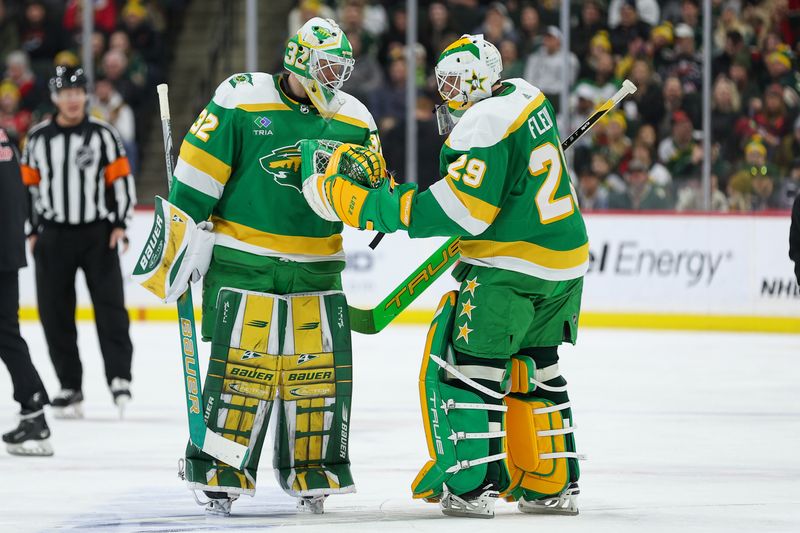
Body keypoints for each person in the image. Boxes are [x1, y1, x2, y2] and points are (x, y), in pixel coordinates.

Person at [305, 34, 586, 518]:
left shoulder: (483, 121)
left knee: (467, 369)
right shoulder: (525, 95)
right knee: (539, 368)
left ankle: (471, 485)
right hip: (565, 263)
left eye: (454, 81)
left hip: (510, 270)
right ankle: (551, 484)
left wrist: (370, 206)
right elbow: (506, 187)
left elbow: (464, 210)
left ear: (478, 79)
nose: (448, 92)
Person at [133, 17, 381, 516]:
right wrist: (181, 237)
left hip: (318, 268)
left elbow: (372, 189)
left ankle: (315, 468)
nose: (334, 79)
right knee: (242, 373)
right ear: (299, 60)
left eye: (341, 69)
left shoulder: (356, 118)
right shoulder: (241, 97)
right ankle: (222, 470)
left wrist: (378, 200)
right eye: (326, 67)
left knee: (320, 376)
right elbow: (198, 173)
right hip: (244, 264)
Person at [20, 66, 135, 419]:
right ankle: (70, 385)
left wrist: (120, 224)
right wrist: (33, 231)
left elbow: (121, 182)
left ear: (86, 95)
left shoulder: (103, 134)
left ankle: (119, 377)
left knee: (110, 308)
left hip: (97, 234)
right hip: (53, 235)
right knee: (55, 314)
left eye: (78, 92)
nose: (73, 99)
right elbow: (28, 188)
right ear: (55, 98)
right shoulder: (37, 139)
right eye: (65, 93)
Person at [0, 126, 52, 456]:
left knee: (6, 335)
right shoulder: (4, 137)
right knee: (7, 334)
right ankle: (33, 412)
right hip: (7, 252)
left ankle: (34, 410)